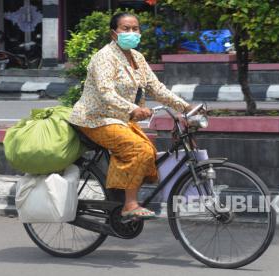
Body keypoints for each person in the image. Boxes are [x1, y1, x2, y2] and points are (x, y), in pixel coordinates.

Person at [68, 12, 192, 221]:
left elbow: (157, 88)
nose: (132, 33)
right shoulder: (104, 57)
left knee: (148, 151)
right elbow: (106, 92)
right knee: (138, 148)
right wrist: (132, 109)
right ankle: (129, 205)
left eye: (135, 29)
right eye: (126, 29)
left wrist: (186, 107)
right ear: (114, 33)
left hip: (120, 119)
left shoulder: (137, 57)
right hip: (96, 118)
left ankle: (120, 195)